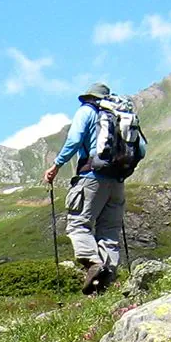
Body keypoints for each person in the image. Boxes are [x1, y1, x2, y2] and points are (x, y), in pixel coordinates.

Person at [43, 82, 146, 294]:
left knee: (79, 225)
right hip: (117, 181)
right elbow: (142, 149)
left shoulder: (87, 111)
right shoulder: (122, 115)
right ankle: (106, 279)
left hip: (91, 177)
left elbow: (74, 139)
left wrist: (57, 165)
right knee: (109, 230)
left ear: (88, 97)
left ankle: (93, 263)